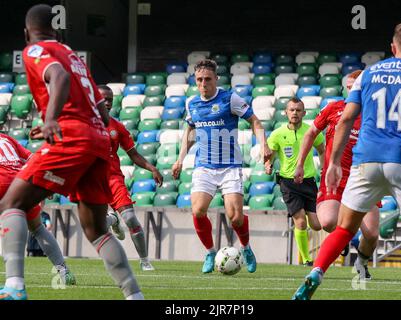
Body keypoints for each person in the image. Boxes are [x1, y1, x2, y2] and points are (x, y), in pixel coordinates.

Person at [0, 4, 142, 300]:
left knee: (12, 202)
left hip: (72, 136)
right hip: (99, 141)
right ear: (56, 29)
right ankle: (134, 296)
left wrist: (52, 119)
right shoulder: (75, 57)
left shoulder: (35, 50)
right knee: (96, 229)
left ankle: (14, 286)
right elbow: (103, 115)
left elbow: (58, 78)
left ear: (27, 32)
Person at [293, 21, 401, 300]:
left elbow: (347, 118)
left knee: (344, 228)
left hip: (366, 160)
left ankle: (316, 271)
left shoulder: (370, 73)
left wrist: (335, 162)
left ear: (392, 47)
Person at [171, 59, 272, 273]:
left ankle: (245, 247)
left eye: (208, 79)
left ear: (216, 79)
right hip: (204, 166)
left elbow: (254, 121)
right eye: (199, 79)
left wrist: (264, 145)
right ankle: (209, 252)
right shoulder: (192, 104)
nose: (203, 83)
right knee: (198, 211)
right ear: (195, 81)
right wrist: (180, 159)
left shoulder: (229, 99)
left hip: (229, 166)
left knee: (235, 218)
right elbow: (190, 132)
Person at [293, 70, 380, 280]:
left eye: (355, 87)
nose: (351, 90)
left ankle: (361, 262)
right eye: (348, 87)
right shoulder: (333, 108)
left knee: (371, 234)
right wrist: (300, 164)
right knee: (328, 222)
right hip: (335, 176)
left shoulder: (374, 113)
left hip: (364, 178)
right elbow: (311, 133)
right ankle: (342, 238)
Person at [97, 85, 163, 271]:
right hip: (91, 181)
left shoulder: (117, 127)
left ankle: (144, 261)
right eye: (104, 99)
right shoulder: (84, 124)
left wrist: (152, 168)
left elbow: (133, 154)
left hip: (112, 179)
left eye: (110, 99)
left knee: (131, 218)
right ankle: (113, 220)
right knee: (97, 225)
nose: (108, 103)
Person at [0, 133, 75, 285]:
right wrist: (47, 182)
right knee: (38, 228)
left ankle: (14, 283)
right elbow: (32, 159)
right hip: (19, 181)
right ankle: (64, 272)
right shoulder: (6, 138)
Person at [265, 97, 324, 266]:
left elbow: (322, 150)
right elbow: (270, 156)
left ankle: (339, 239)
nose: (295, 113)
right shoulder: (277, 134)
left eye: (298, 110)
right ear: (285, 112)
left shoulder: (311, 131)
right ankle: (306, 259)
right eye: (292, 110)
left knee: (317, 224)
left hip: (308, 181)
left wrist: (324, 168)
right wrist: (268, 165)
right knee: (299, 221)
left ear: (304, 113)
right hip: (288, 182)